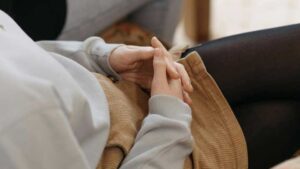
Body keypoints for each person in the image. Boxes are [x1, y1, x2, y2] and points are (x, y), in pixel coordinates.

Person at [0, 10, 193, 169]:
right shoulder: (18, 121)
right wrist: (169, 122)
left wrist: (101, 56)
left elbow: (20, 48)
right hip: (152, 145)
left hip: (116, 95)